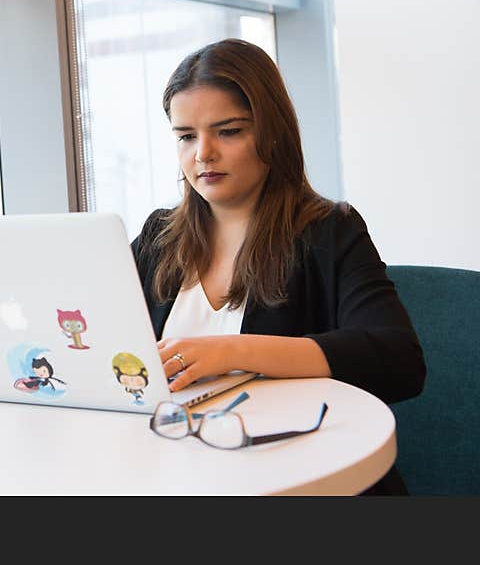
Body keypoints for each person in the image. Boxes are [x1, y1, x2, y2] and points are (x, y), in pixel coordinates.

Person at [131, 39, 425, 494]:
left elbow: (399, 359)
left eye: (228, 131)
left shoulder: (329, 230)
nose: (202, 153)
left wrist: (232, 351)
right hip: (182, 471)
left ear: (271, 133)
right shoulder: (158, 237)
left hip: (300, 480)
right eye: (186, 136)